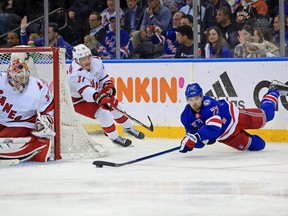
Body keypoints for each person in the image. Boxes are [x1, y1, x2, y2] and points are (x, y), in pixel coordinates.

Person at [68, 44, 145, 147]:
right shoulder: (75, 73)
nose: (87, 61)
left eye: (88, 57)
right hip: (79, 101)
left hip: (94, 93)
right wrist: (99, 97)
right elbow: (86, 92)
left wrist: (108, 85)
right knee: (104, 114)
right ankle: (114, 137)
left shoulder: (96, 61)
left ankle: (128, 128)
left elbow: (103, 78)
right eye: (83, 59)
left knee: (115, 105)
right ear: (77, 60)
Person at [179, 81, 288, 153]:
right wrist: (191, 144)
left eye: (197, 98)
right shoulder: (185, 117)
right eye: (191, 100)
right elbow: (197, 139)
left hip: (236, 117)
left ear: (202, 97)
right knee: (259, 145)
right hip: (227, 137)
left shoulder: (209, 104)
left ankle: (274, 90)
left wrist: (197, 137)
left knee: (268, 115)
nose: (194, 103)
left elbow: (214, 128)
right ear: (187, 100)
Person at [0, 57, 56, 162]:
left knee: (3, 140)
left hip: (21, 122)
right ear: (10, 76)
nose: (23, 81)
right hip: (2, 119)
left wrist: (44, 122)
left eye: (25, 77)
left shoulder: (37, 87)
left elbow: (49, 108)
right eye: (20, 77)